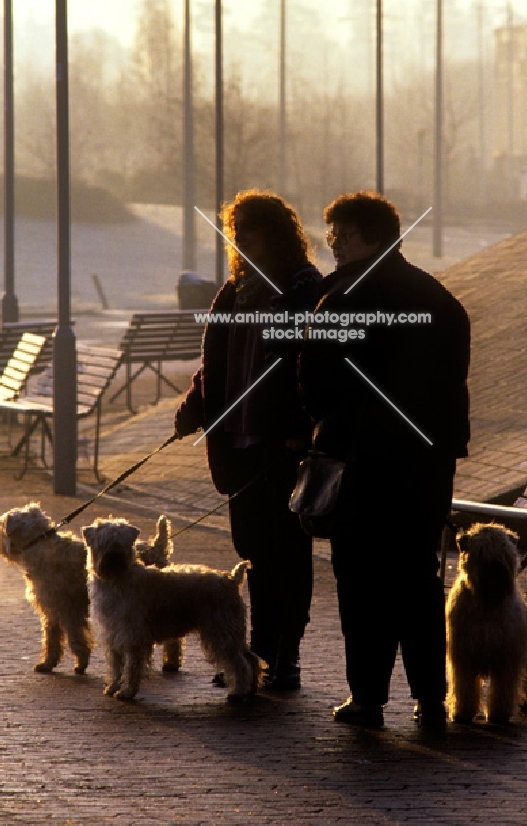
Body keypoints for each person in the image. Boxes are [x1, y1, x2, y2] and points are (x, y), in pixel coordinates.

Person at [299, 191, 470, 730]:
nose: (334, 245)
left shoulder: (343, 300)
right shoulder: (438, 299)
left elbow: (316, 386)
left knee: (361, 582)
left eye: (343, 235)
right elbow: (452, 384)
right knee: (418, 577)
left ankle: (368, 698)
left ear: (374, 237)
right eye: (332, 235)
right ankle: (431, 699)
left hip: (361, 462)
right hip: (426, 461)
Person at [174, 190, 323, 690]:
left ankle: (286, 652)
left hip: (280, 447)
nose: (239, 241)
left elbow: (313, 369)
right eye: (235, 232)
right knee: (252, 548)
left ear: (275, 233)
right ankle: (258, 649)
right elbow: (212, 364)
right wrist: (194, 408)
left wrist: (301, 430)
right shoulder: (235, 291)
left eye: (249, 231)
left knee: (287, 551)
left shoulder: (305, 289)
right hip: (236, 441)